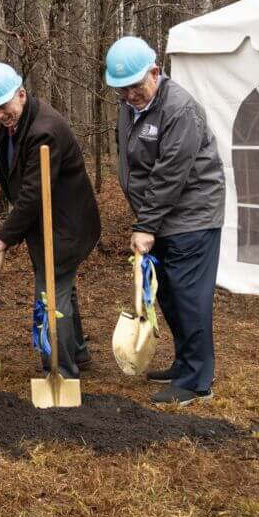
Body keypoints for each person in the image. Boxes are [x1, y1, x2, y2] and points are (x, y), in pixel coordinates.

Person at [105, 36, 224, 406]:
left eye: (136, 87)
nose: (129, 96)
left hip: (192, 217)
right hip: (162, 218)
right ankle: (185, 363)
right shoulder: (130, 106)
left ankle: (196, 382)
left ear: (155, 72)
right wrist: (147, 219)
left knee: (190, 298)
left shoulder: (179, 109)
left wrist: (145, 226)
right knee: (169, 296)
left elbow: (170, 175)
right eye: (122, 90)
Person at [0, 62, 101, 380]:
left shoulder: (45, 130)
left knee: (50, 295)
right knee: (62, 289)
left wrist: (6, 234)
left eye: (2, 107)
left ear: (20, 94)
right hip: (46, 222)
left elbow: (33, 192)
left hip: (66, 225)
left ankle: (60, 369)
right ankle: (78, 353)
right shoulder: (15, 124)